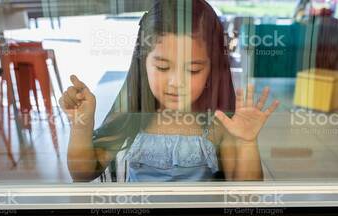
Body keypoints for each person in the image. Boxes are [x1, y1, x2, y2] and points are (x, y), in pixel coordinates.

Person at [60, 0, 279, 182]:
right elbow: (82, 173)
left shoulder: (218, 123)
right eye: (163, 67)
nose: (176, 82)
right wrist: (81, 124)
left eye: (193, 70)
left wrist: (247, 142)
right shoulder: (134, 115)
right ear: (143, 64)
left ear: (212, 70)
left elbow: (247, 198)